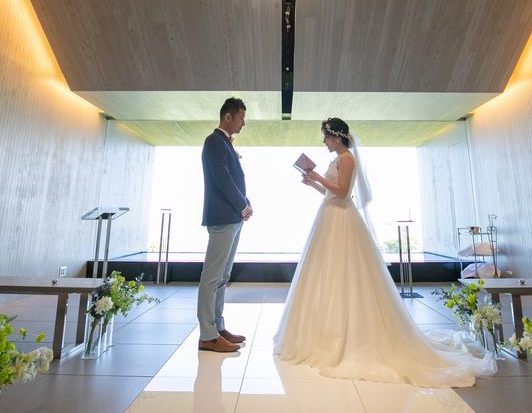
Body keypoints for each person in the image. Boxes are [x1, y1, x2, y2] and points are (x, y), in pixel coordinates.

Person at [273, 117, 496, 387]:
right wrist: (314, 184)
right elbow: (330, 194)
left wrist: (319, 177)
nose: (323, 141)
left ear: (336, 136)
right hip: (329, 216)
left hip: (342, 219)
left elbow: (343, 194)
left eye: (326, 136)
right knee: (326, 272)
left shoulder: (347, 159)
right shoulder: (336, 160)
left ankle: (352, 333)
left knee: (346, 272)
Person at [197, 97, 253, 353]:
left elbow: (234, 178)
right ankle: (207, 335)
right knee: (212, 277)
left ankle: (218, 327)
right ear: (227, 117)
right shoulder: (214, 141)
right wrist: (242, 205)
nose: (243, 123)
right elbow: (222, 179)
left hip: (233, 217)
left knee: (223, 276)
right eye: (241, 117)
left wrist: (246, 203)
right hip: (222, 216)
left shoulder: (225, 143)